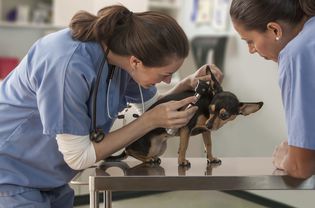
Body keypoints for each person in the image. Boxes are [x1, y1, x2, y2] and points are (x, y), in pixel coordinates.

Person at [0, 5, 223, 208]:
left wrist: (184, 85)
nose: (167, 81)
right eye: (165, 74)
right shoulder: (67, 64)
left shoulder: (118, 59)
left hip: (49, 178)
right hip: (10, 177)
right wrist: (150, 121)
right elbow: (78, 156)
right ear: (136, 61)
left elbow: (147, 106)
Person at [230, 0, 315, 179]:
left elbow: (301, 167)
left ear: (275, 30)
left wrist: (286, 157)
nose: (251, 50)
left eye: (250, 41)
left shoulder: (297, 54)